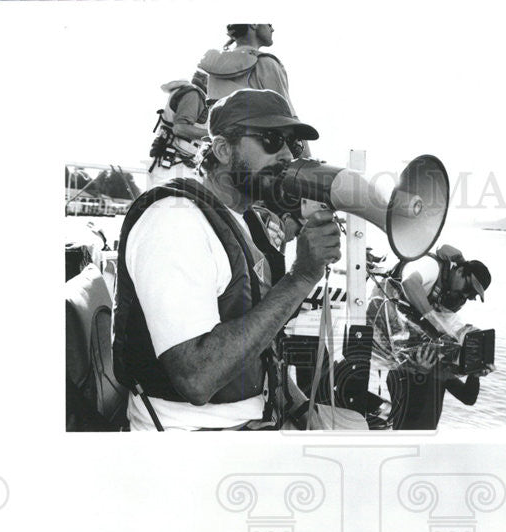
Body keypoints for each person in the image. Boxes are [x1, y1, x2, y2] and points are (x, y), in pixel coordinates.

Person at [112, 89, 339, 431]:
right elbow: (197, 378)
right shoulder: (176, 221)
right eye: (271, 138)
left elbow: (259, 344)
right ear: (221, 148)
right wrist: (301, 277)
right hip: (192, 441)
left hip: (250, 423)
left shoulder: (244, 221)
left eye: (292, 145)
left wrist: (301, 409)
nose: (286, 156)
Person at [369, 245, 493, 429]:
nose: (465, 296)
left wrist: (475, 373)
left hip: (427, 441)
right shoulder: (400, 370)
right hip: (408, 438)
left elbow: (468, 397)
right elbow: (410, 414)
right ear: (459, 270)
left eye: (471, 295)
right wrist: (420, 372)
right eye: (467, 288)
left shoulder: (440, 368)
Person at [198, 23, 301, 115]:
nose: (272, 29)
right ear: (254, 24)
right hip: (258, 134)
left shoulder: (215, 65)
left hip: (222, 134)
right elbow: (284, 112)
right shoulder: (266, 62)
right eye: (269, 24)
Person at [148, 73, 209, 186]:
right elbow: (179, 128)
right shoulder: (193, 94)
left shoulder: (191, 92)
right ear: (206, 79)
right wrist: (213, 135)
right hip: (173, 166)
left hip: (174, 164)